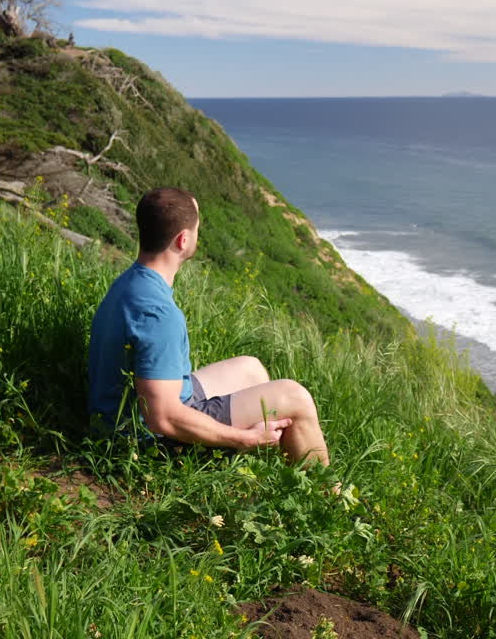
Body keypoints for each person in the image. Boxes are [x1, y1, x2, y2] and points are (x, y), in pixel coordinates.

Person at [87, 187, 330, 466]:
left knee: (249, 369)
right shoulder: (159, 314)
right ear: (183, 240)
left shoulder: (130, 283)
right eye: (197, 228)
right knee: (294, 397)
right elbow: (162, 417)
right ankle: (326, 500)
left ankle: (263, 470)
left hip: (126, 417)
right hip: (143, 445)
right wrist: (244, 439)